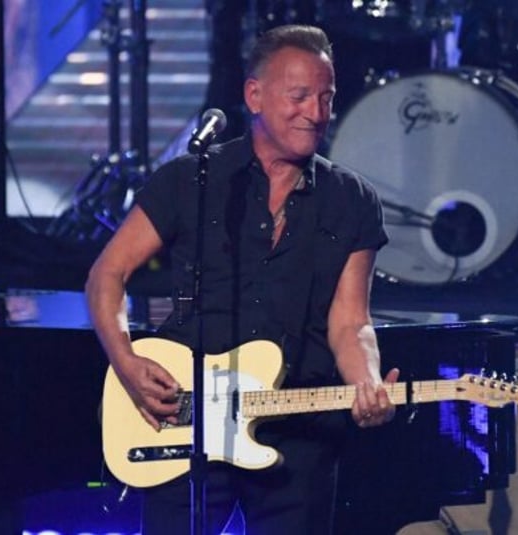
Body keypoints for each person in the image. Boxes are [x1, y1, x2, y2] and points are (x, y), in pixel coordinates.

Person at [85, 24, 398, 535]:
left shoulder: (352, 200)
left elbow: (350, 321)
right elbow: (107, 273)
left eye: (326, 97)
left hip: (299, 430)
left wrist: (365, 380)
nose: (316, 113)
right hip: (187, 420)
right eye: (299, 96)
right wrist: (126, 361)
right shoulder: (191, 180)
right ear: (254, 95)